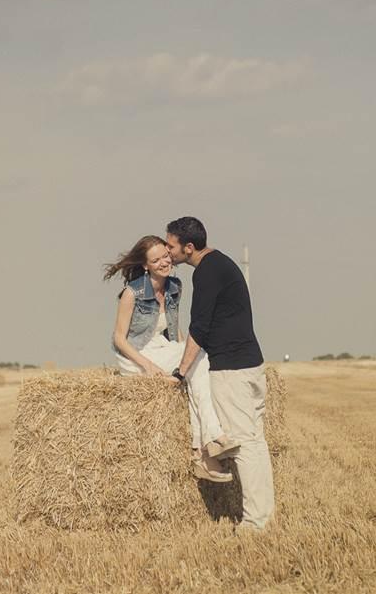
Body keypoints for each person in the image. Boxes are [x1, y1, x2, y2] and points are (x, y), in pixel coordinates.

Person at [166, 216, 275, 530]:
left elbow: (199, 328)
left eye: (171, 246)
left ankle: (255, 523)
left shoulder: (208, 273)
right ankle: (264, 516)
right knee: (255, 442)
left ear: (188, 247)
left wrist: (181, 372)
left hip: (233, 368)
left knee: (242, 444)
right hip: (250, 363)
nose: (168, 252)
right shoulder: (222, 264)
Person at [105, 235, 240, 482]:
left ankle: (204, 449)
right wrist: (147, 366)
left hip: (160, 347)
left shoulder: (175, 286)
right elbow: (119, 339)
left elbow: (174, 329)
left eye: (165, 256)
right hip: (136, 355)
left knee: (195, 362)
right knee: (197, 360)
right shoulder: (132, 292)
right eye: (155, 260)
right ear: (145, 265)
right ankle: (209, 442)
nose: (163, 262)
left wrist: (183, 355)